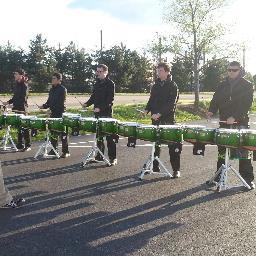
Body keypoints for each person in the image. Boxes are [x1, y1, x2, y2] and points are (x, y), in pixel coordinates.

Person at [207, 61, 255, 189]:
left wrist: (235, 116)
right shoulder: (222, 85)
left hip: (241, 123)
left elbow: (247, 104)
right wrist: (211, 110)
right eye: (229, 70)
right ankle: (218, 177)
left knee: (243, 152)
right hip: (224, 123)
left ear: (240, 71)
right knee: (222, 151)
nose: (231, 72)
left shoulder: (247, 85)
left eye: (234, 70)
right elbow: (215, 99)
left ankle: (247, 179)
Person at [144, 62, 181, 178]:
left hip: (168, 119)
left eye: (160, 71)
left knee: (172, 145)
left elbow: (172, 104)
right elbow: (152, 100)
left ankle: (176, 170)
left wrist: (159, 113)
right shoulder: (155, 85)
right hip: (155, 118)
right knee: (156, 143)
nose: (158, 73)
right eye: (157, 71)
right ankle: (155, 166)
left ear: (167, 72)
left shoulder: (173, 86)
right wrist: (147, 109)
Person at [83, 64, 117, 166]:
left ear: (106, 72)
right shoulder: (97, 83)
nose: (97, 73)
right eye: (97, 71)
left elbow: (110, 100)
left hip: (106, 114)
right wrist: (86, 104)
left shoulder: (110, 84)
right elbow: (93, 97)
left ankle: (113, 158)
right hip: (97, 114)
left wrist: (100, 108)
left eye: (100, 71)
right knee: (99, 136)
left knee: (109, 138)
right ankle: (99, 156)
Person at [39, 72, 70, 158]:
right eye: (52, 78)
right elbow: (49, 102)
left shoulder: (63, 89)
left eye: (54, 79)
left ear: (59, 80)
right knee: (53, 133)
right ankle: (54, 150)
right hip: (53, 113)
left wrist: (50, 110)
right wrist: (44, 106)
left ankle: (65, 151)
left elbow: (60, 103)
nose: (52, 80)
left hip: (60, 113)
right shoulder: (52, 89)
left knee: (63, 133)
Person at [3, 69, 31, 151]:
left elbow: (22, 99)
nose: (14, 75)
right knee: (19, 127)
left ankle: (28, 145)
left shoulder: (25, 86)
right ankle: (20, 144)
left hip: (22, 109)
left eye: (16, 74)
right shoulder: (17, 85)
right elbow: (15, 97)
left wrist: (12, 105)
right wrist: (7, 102)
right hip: (16, 108)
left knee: (25, 127)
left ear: (21, 75)